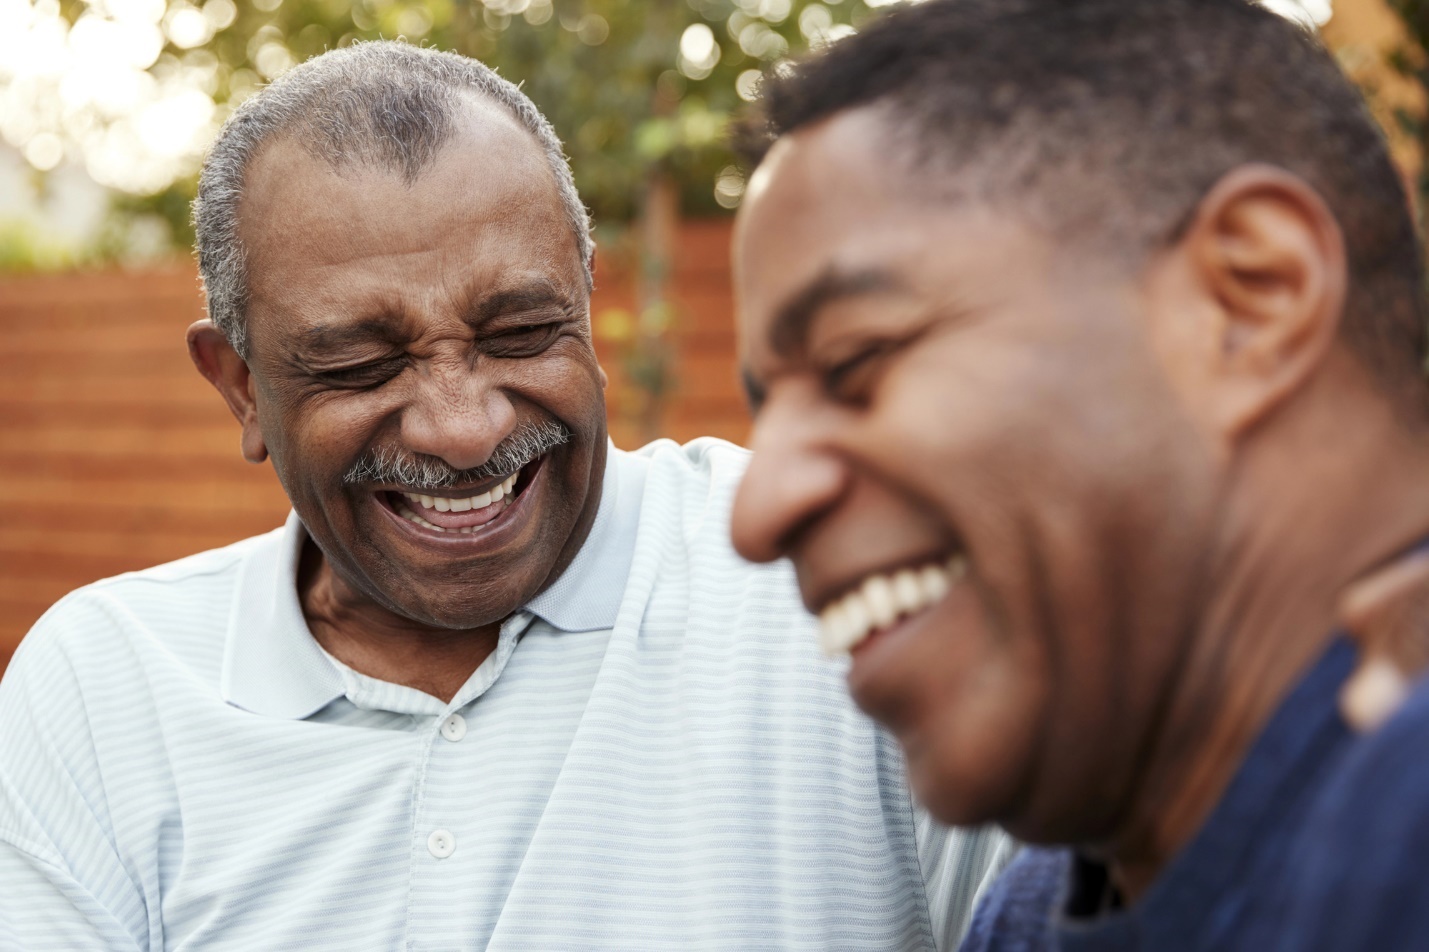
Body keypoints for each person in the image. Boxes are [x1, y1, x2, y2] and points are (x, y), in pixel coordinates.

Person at [0, 41, 1009, 950]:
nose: (464, 427)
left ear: (584, 293)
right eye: (360, 363)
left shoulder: (836, 586)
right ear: (238, 386)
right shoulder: (105, 692)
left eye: (522, 332)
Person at [728, 0, 1429, 948]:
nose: (756, 510)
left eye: (856, 361)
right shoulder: (1025, 917)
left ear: (1249, 299)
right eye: (764, 407)